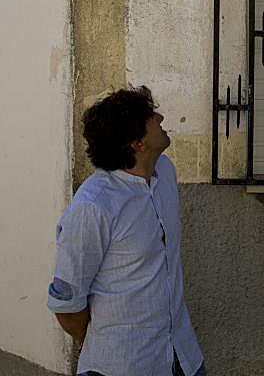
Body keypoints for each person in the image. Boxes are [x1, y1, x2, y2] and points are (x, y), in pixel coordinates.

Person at [47, 86, 205, 376]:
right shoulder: (93, 205)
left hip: (182, 358)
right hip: (123, 366)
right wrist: (112, 342)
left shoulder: (164, 171)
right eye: (150, 116)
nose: (160, 117)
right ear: (137, 143)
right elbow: (67, 305)